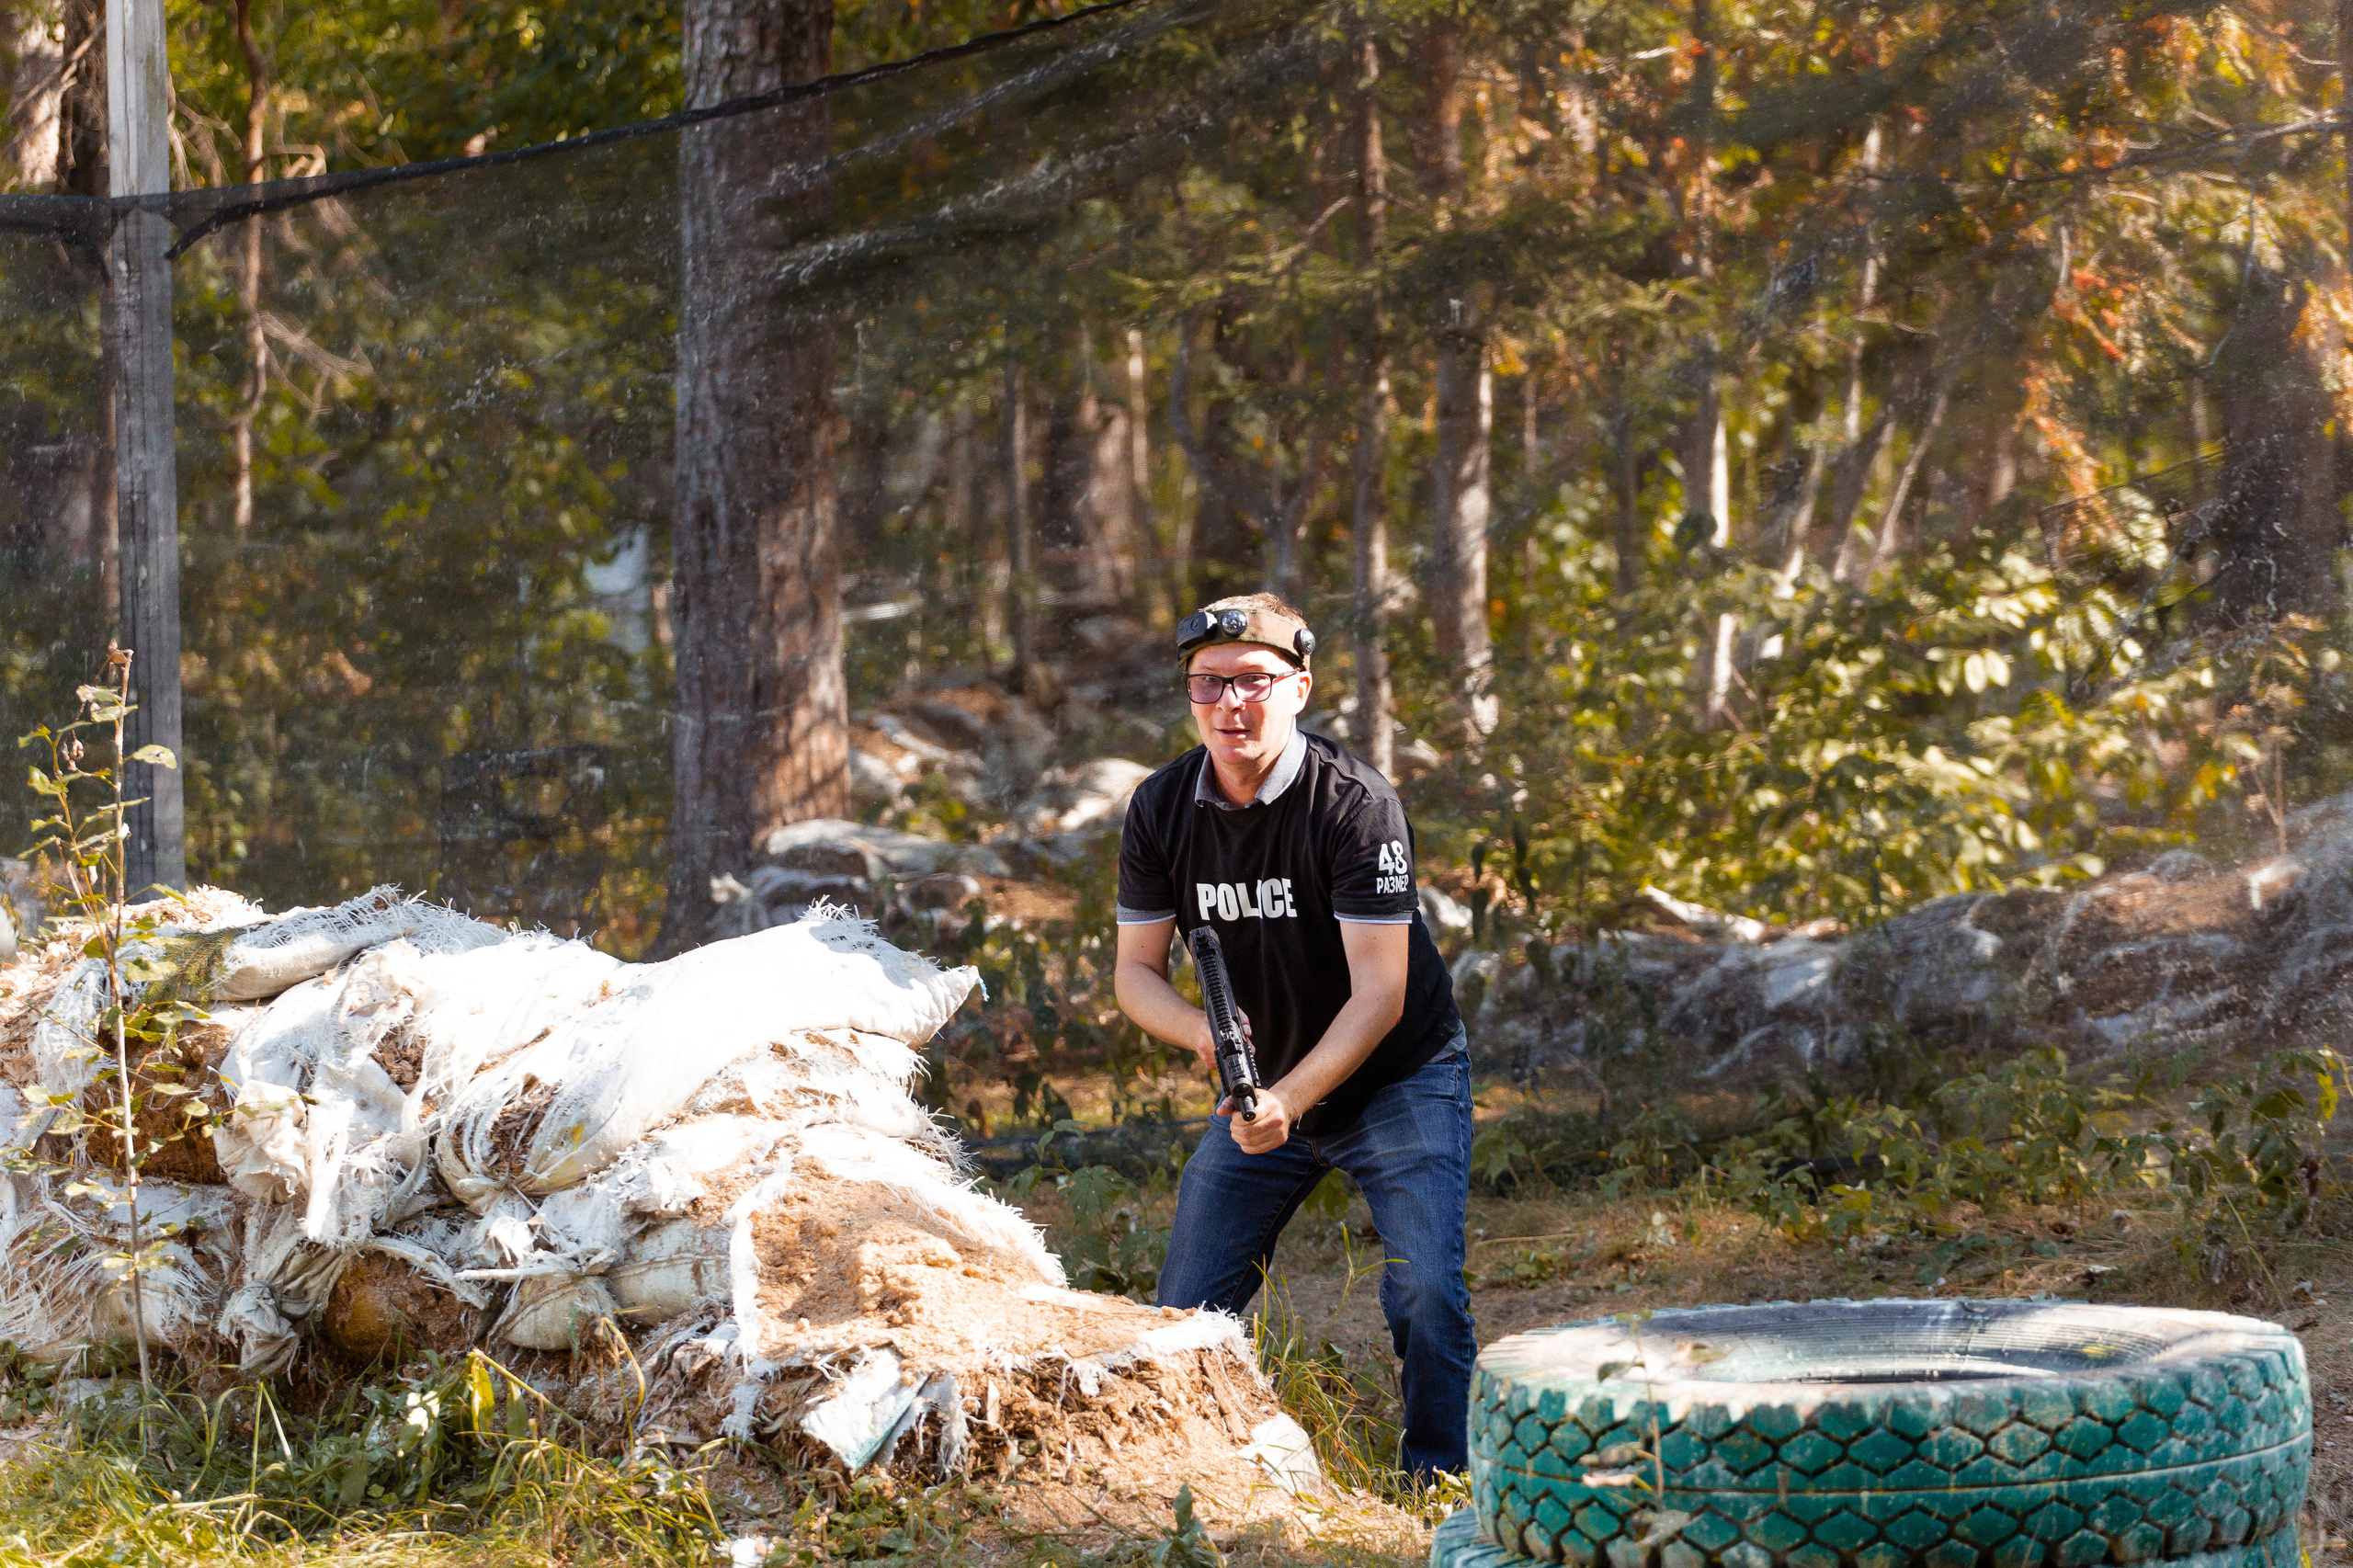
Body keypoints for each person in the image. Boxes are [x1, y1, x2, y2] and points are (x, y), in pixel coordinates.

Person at [1112, 592, 1473, 1480]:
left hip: (1396, 1077)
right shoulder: (1160, 807)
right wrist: (1203, 1031)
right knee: (1185, 1316)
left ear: (1300, 688)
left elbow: (1381, 995)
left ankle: (1440, 1480)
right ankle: (1201, 1480)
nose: (1232, 703)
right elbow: (1134, 976)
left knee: (1425, 1290)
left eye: (1255, 682)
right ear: (1190, 695)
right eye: (1209, 684)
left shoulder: (1354, 805)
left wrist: (1292, 1100)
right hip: (1258, 1091)